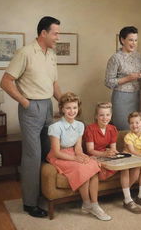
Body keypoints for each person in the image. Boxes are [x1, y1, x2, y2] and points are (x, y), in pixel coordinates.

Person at [0, 16, 62, 217]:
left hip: (47, 106)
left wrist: (63, 102)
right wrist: (25, 102)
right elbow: (6, 82)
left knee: (47, 152)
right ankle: (29, 203)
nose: (57, 37)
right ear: (43, 33)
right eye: (55, 33)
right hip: (31, 107)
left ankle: (43, 194)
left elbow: (53, 84)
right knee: (32, 156)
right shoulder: (25, 53)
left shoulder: (51, 54)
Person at [47, 92, 111, 221]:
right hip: (59, 156)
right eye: (68, 108)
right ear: (62, 109)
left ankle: (94, 204)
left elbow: (78, 147)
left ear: (78, 108)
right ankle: (87, 204)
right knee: (82, 168)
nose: (72, 111)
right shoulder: (55, 127)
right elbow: (57, 152)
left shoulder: (80, 125)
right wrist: (75, 159)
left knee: (92, 165)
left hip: (72, 153)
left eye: (75, 108)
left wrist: (81, 155)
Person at [85, 102, 141, 214]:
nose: (105, 118)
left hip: (109, 155)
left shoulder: (113, 129)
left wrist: (115, 153)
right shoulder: (90, 129)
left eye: (107, 115)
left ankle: (127, 199)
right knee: (124, 168)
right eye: (101, 115)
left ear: (111, 116)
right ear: (96, 116)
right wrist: (105, 154)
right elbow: (90, 150)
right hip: (96, 157)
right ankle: (128, 199)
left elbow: (113, 149)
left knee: (135, 167)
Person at [105, 26, 141, 130]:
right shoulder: (115, 58)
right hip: (121, 98)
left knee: (136, 128)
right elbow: (108, 82)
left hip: (137, 96)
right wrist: (128, 78)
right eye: (131, 40)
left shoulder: (138, 56)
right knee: (123, 128)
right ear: (123, 40)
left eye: (136, 40)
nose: (134, 43)